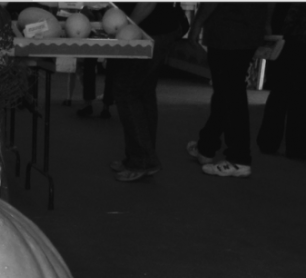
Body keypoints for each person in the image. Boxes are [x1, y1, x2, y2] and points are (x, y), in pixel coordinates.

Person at [105, 3, 189, 182]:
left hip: (153, 30)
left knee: (126, 90)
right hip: (155, 29)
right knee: (143, 93)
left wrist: (126, 25)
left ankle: (142, 160)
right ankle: (141, 157)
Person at [186, 3, 270, 178]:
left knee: (231, 95)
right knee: (226, 93)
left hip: (228, 31)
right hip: (247, 29)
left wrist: (196, 25)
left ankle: (239, 158)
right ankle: (206, 147)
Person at [256, 3, 306, 161]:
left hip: (288, 36)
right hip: (303, 38)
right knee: (300, 96)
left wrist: (268, 25)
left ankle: (269, 141)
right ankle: (295, 145)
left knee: (281, 92)